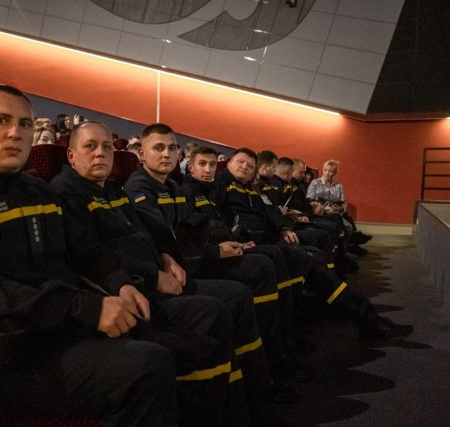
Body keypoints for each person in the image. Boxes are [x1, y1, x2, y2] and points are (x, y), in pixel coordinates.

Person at [0, 85, 177, 425]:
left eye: (25, 124)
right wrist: (84, 308)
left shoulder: (39, 191)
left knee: (188, 341)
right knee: (149, 366)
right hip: (10, 351)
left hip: (64, 328)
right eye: (2, 121)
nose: (15, 133)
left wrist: (119, 283)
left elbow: (84, 251)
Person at [50, 121, 250, 425]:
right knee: (214, 311)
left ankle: (231, 409)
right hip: (131, 289)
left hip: (156, 276)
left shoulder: (113, 189)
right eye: (90, 146)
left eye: (107, 147)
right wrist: (154, 276)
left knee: (227, 302)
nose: (100, 153)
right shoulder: (66, 193)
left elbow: (146, 232)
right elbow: (92, 254)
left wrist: (166, 257)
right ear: (71, 155)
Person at [124, 123, 295, 406]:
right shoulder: (138, 189)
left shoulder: (172, 187)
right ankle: (259, 381)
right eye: (159, 148)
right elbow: (165, 239)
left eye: (171, 148)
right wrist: (214, 252)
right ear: (141, 154)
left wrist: (222, 245)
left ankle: (264, 372)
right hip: (172, 275)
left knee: (260, 270)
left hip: (191, 263)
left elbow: (191, 230)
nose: (166, 154)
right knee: (251, 278)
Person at [215, 148, 413, 340]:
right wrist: (237, 240)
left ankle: (353, 312)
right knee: (307, 260)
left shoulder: (251, 189)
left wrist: (284, 228)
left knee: (315, 257)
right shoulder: (221, 183)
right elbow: (217, 219)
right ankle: (364, 317)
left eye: (250, 165)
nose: (245, 167)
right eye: (240, 162)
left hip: (270, 240)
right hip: (249, 245)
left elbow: (270, 213)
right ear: (229, 163)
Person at [307, 160, 372, 249]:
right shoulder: (315, 183)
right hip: (320, 212)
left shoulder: (338, 186)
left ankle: (348, 246)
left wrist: (339, 209)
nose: (327, 173)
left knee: (348, 226)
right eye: (325, 170)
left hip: (334, 212)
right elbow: (309, 200)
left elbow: (344, 203)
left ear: (335, 173)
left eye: (330, 171)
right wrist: (321, 207)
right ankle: (350, 244)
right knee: (346, 226)